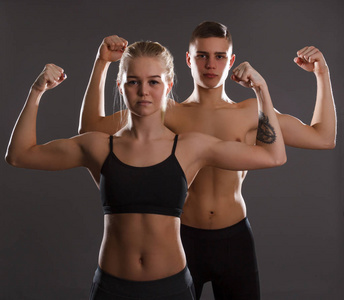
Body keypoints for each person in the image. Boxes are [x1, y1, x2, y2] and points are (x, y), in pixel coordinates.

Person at [6, 40, 285, 300]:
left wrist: (261, 90)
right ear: (120, 86)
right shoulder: (99, 146)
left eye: (153, 82)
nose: (143, 91)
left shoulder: (190, 147)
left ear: (168, 85)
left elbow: (273, 156)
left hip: (172, 287)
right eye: (133, 82)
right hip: (112, 287)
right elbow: (19, 155)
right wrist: (36, 92)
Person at [78, 21, 336, 300]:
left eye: (219, 56)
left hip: (234, 239)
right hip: (182, 239)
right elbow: (91, 129)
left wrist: (322, 73)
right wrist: (102, 63)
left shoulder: (249, 112)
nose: (210, 64)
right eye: (202, 55)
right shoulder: (165, 111)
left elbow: (323, 137)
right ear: (189, 59)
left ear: (231, 61)